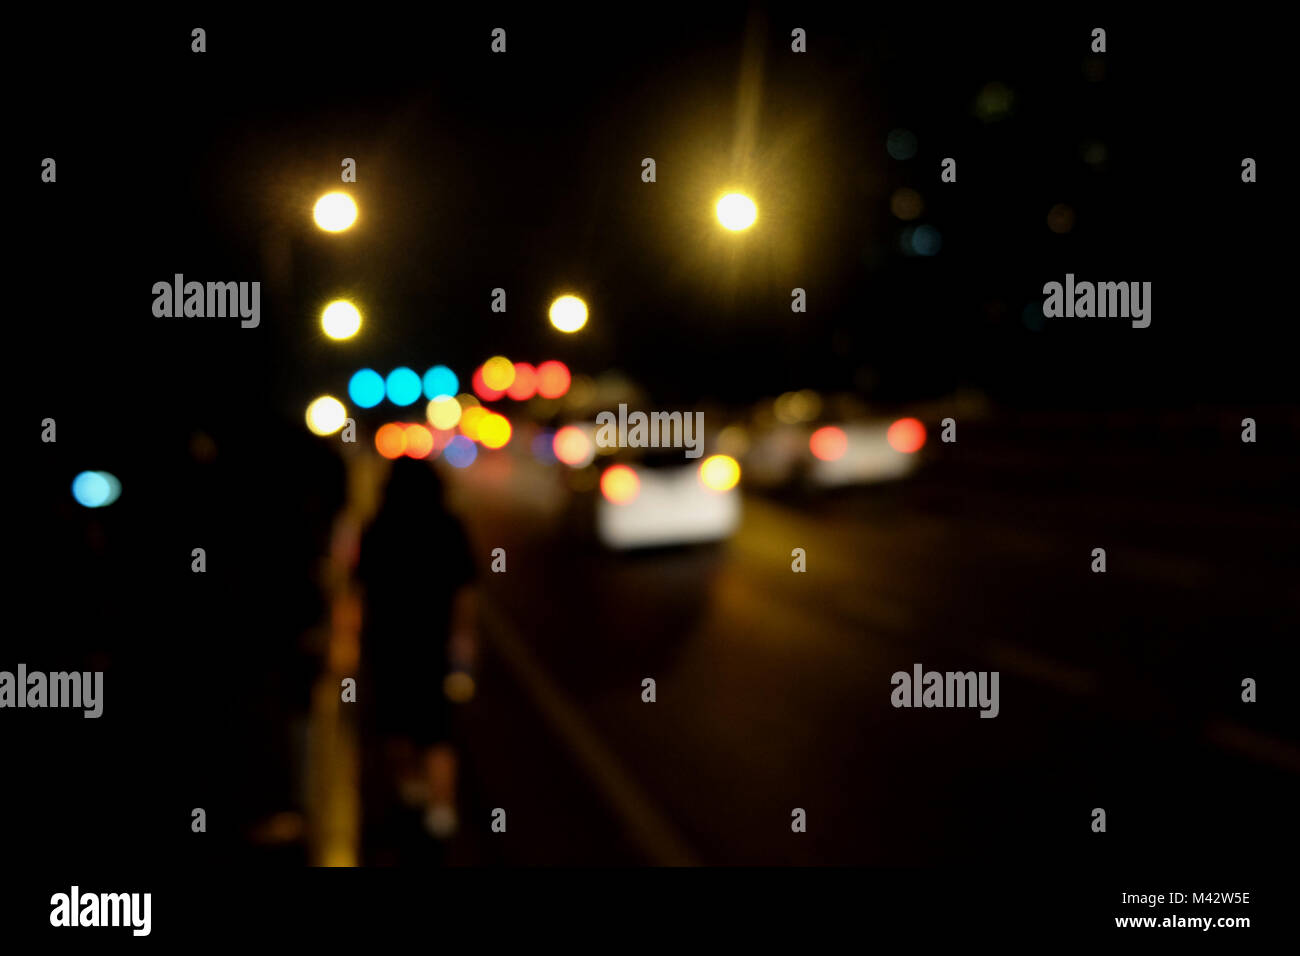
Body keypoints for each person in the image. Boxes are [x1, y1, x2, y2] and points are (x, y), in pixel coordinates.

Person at [356, 457, 478, 860]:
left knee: (395, 723)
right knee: (437, 727)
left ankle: (410, 791)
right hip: (433, 644)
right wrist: (463, 639)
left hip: (387, 645)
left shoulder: (378, 527)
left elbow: (357, 585)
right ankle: (441, 812)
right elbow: (465, 589)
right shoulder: (448, 526)